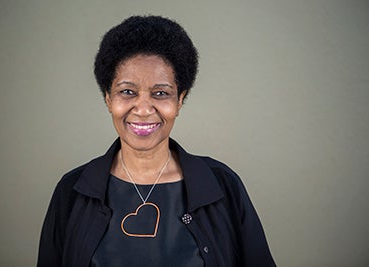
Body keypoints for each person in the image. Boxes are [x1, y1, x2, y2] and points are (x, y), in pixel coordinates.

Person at [37, 15, 276, 267]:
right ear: (108, 98)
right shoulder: (72, 191)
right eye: (127, 92)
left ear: (180, 100)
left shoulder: (223, 186)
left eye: (160, 93)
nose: (142, 109)